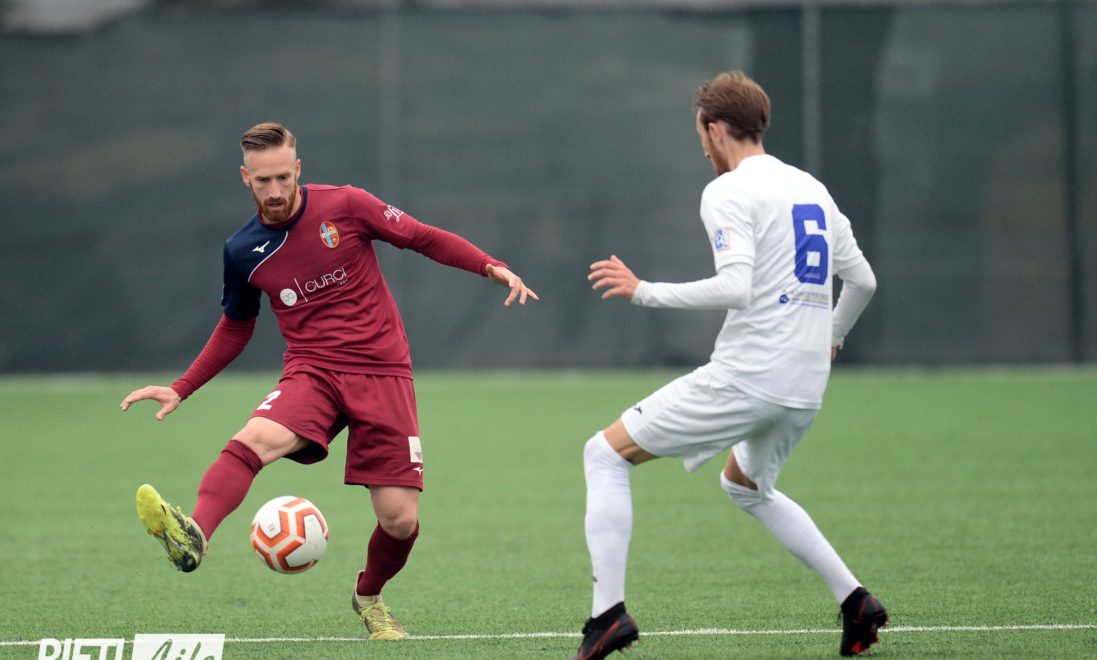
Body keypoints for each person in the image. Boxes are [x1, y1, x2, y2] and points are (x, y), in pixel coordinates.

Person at [120, 122, 537, 641]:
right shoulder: (242, 249)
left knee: (400, 521)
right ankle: (195, 535)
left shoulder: (347, 205)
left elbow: (422, 237)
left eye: (283, 177)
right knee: (255, 439)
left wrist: (488, 265)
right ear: (245, 178)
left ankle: (369, 596)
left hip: (383, 372)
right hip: (312, 370)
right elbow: (236, 327)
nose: (275, 190)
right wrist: (182, 386)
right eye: (262, 181)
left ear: (297, 169)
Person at [575, 71, 886, 659]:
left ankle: (607, 615)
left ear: (715, 128)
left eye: (701, 133)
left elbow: (736, 287)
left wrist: (644, 291)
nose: (702, 147)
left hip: (750, 377)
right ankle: (856, 602)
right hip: (804, 386)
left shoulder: (728, 190)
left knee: (604, 454)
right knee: (746, 486)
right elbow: (863, 280)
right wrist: (832, 336)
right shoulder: (811, 188)